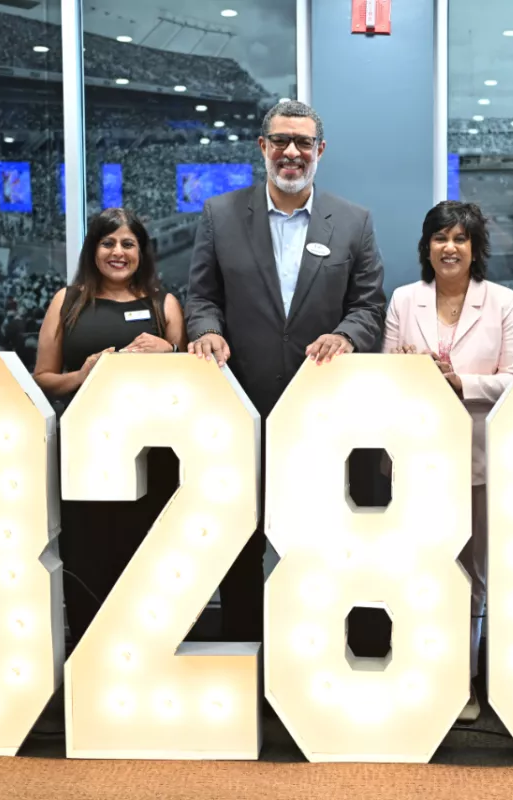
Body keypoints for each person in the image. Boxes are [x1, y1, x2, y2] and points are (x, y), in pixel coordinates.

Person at [185, 100, 386, 645]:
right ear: (262, 148)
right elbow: (202, 295)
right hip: (241, 410)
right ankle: (246, 661)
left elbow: (369, 308)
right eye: (280, 141)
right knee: (242, 541)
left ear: (320, 151)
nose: (291, 152)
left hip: (325, 416)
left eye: (302, 142)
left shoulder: (353, 222)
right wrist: (204, 329)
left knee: (325, 541)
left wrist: (346, 337)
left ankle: (321, 657)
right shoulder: (220, 215)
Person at [382, 200, 513, 722]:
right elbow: (386, 377)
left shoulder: (503, 302)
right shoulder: (404, 300)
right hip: (418, 459)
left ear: (475, 248)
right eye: (440, 238)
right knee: (420, 570)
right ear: (427, 247)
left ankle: (462, 683)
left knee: (472, 575)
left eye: (460, 239)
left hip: (479, 457)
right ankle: (421, 676)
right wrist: (415, 375)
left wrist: (459, 381)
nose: (449, 248)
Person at [34, 207, 187, 645]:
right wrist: (82, 377)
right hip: (86, 461)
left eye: (127, 244)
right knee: (88, 561)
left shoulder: (165, 304)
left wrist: (171, 352)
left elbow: (195, 382)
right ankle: (91, 667)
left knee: (149, 564)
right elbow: (43, 379)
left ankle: (150, 660)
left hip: (153, 461)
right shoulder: (67, 302)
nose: (117, 252)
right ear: (93, 249)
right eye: (107, 243)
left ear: (142, 251)